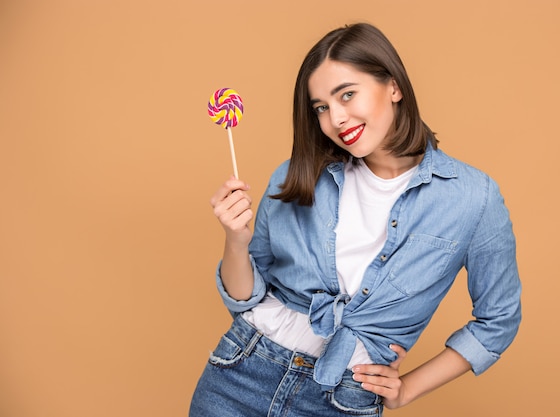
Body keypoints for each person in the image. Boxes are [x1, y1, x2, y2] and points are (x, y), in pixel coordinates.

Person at [190, 22, 521, 416]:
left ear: (394, 86)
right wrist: (235, 241)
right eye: (322, 108)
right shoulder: (294, 176)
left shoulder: (472, 198)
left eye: (347, 95)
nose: (337, 119)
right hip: (241, 375)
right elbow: (244, 299)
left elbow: (498, 321)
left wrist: (407, 389)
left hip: (343, 399)